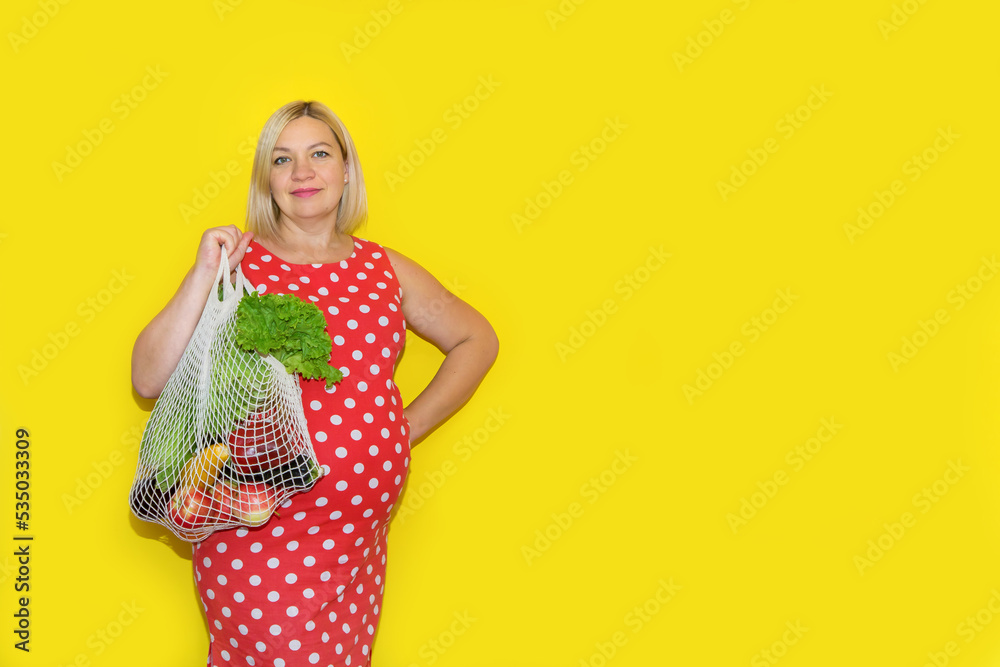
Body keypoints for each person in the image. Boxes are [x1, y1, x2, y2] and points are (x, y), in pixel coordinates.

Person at [131, 99, 499, 666]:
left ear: (346, 170)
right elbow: (148, 376)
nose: (303, 172)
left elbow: (478, 339)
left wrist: (401, 430)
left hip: (355, 541)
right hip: (259, 525)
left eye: (319, 154)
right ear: (267, 180)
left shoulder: (384, 268)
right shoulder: (237, 261)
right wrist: (205, 272)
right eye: (283, 159)